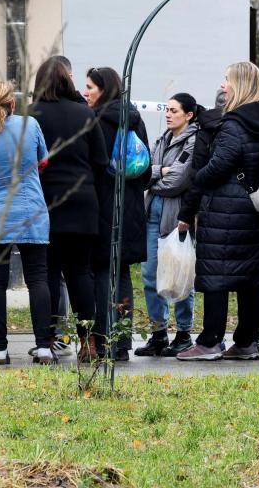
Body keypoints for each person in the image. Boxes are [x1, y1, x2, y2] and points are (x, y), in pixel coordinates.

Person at [176, 62, 259, 361]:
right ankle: (247, 342)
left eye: (227, 81)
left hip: (226, 212)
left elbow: (221, 164)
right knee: (251, 279)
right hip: (256, 210)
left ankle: (210, 341)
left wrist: (198, 177)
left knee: (216, 276)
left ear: (240, 86)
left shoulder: (234, 123)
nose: (223, 86)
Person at [0, 80, 55, 365]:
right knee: (38, 277)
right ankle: (43, 346)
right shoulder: (30, 126)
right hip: (30, 206)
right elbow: (44, 160)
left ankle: (1, 349)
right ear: (12, 103)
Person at [31, 58, 108, 360]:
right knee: (80, 274)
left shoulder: (32, 116)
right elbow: (101, 162)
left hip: (45, 203)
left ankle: (48, 338)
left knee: (47, 272)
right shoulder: (84, 114)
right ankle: (88, 341)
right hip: (82, 202)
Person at [86, 66, 150, 359]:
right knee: (121, 272)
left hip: (103, 205)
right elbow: (146, 169)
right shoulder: (134, 118)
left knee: (101, 270)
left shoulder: (97, 121)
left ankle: (105, 341)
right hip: (131, 205)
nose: (86, 92)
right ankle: (123, 342)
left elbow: (94, 165)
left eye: (90, 87)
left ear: (105, 89)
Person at [137, 92, 199, 356]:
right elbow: (142, 171)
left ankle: (184, 333)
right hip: (152, 213)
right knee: (150, 275)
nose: (168, 114)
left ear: (189, 115)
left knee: (180, 272)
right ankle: (158, 333)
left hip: (177, 216)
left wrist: (155, 176)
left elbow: (178, 182)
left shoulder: (193, 142)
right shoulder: (162, 139)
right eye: (167, 110)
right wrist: (157, 172)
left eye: (174, 110)